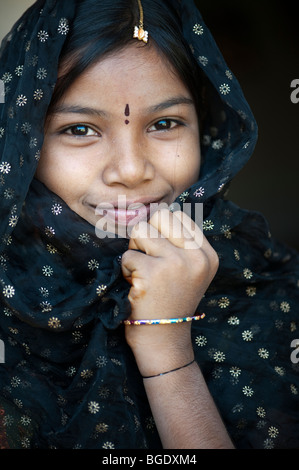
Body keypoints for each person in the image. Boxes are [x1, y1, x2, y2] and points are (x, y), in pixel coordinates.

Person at [0, 0, 298, 450]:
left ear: (210, 131)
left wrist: (168, 345)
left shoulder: (272, 292)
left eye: (164, 123)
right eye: (79, 129)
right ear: (20, 142)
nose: (131, 169)